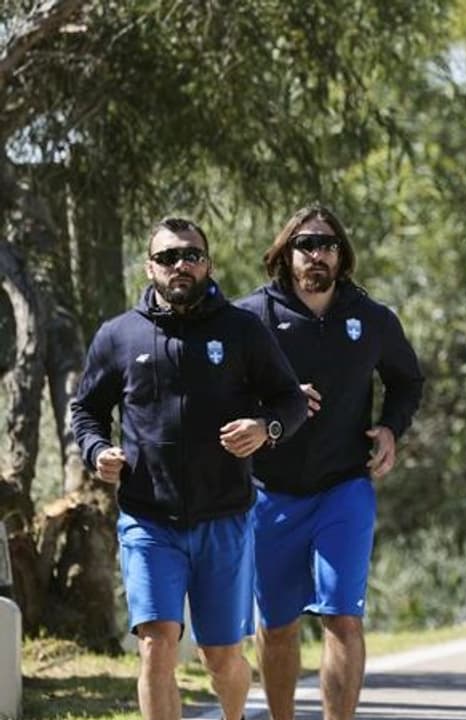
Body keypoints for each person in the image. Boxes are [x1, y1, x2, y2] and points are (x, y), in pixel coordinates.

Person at [70, 217, 307, 720]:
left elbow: (289, 399)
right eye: (168, 257)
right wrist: (96, 450)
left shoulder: (242, 330)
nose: (181, 265)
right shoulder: (118, 335)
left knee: (221, 659)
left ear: (209, 264)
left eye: (192, 255)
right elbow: (86, 410)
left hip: (224, 517)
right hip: (148, 518)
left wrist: (266, 427)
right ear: (149, 267)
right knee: (157, 645)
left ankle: (236, 715)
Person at [234, 204, 424, 720]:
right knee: (276, 626)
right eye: (306, 244)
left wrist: (390, 427)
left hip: (344, 486)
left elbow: (408, 380)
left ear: (342, 256)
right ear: (286, 253)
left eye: (327, 245)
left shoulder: (372, 318)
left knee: (342, 618)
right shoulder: (250, 318)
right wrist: (278, 402)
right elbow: (221, 392)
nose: (317, 254)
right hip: (270, 491)